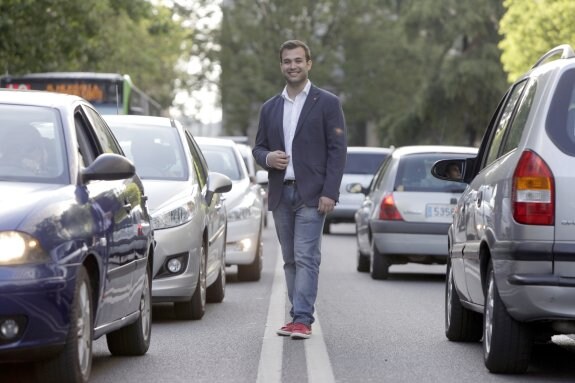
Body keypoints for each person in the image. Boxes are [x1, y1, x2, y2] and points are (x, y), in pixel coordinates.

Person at [252, 40, 347, 339]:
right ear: (281, 65)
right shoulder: (270, 108)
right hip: (281, 194)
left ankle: (302, 319)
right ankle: (297, 316)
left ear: (309, 63)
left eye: (298, 60)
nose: (292, 66)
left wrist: (330, 192)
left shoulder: (327, 103)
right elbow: (258, 147)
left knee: (306, 256)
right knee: (290, 259)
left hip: (312, 195)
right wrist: (268, 158)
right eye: (286, 61)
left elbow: (338, 149)